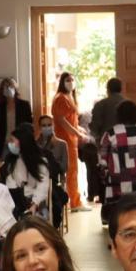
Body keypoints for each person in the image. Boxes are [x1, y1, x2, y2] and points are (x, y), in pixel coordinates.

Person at [50, 72, 89, 212]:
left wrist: (79, 129)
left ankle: (73, 200)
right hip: (65, 140)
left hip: (71, 140)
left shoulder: (70, 97)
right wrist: (77, 133)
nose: (71, 82)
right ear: (62, 82)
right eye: (68, 80)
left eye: (72, 79)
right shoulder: (61, 98)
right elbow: (61, 120)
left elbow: (71, 120)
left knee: (73, 172)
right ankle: (75, 203)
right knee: (70, 172)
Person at [3, 125, 51, 219]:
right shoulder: (12, 161)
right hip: (16, 200)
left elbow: (42, 186)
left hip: (35, 201)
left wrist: (34, 204)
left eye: (12, 141)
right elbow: (10, 184)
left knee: (37, 219)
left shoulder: (40, 162)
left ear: (23, 142)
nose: (10, 144)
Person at [0, 78, 34, 159]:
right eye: (5, 87)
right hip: (4, 144)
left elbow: (29, 125)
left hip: (20, 143)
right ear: (2, 90)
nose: (8, 89)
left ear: (15, 88)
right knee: (5, 165)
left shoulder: (24, 105)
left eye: (10, 86)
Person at [88, 77, 125, 146]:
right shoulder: (129, 105)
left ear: (108, 90)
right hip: (126, 143)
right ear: (121, 89)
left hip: (107, 144)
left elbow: (94, 128)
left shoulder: (100, 105)